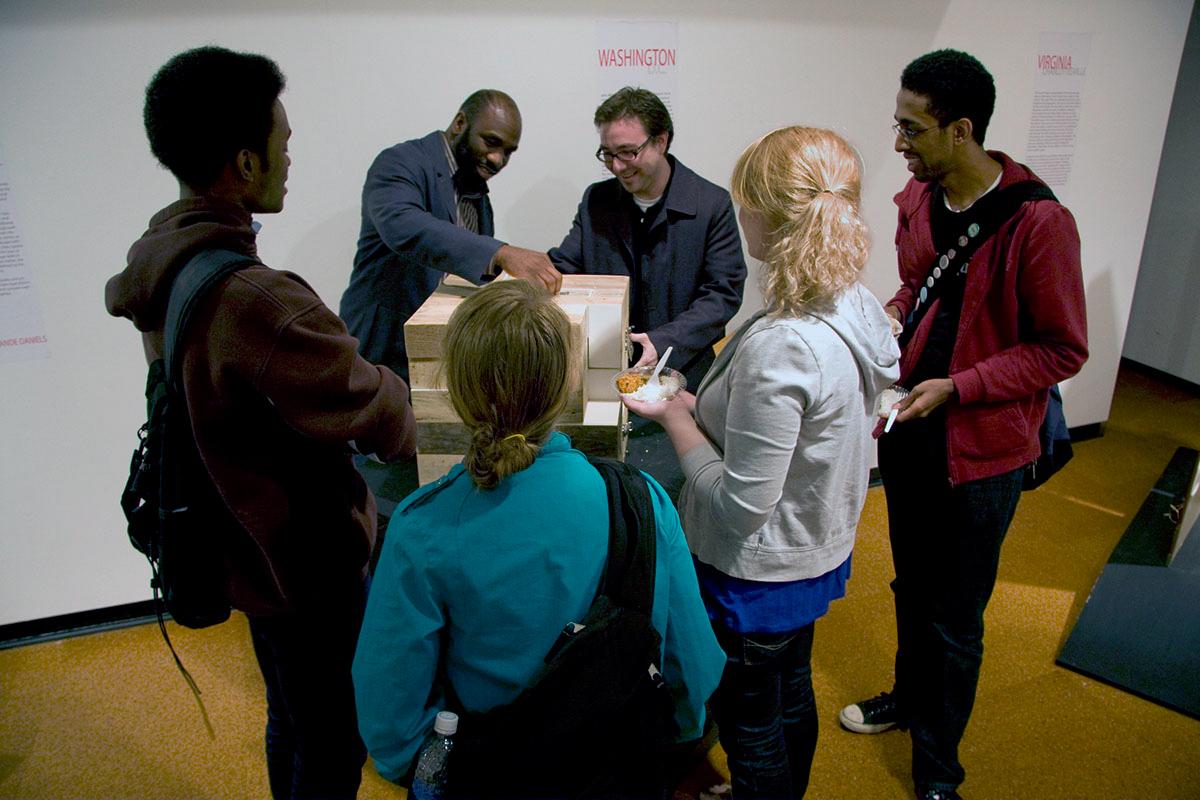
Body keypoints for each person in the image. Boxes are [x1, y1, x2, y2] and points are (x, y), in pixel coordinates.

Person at [105, 46, 417, 800]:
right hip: (302, 562)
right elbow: (382, 411)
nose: (290, 159)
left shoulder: (166, 261)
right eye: (283, 144)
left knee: (291, 717)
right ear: (245, 163)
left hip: (240, 546)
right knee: (331, 740)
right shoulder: (260, 303)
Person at [352, 280, 726, 795]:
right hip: (616, 762)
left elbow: (389, 716)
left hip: (494, 770)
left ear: (457, 390)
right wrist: (667, 739)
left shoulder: (422, 528)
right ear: (567, 386)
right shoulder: (640, 501)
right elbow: (694, 665)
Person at [838, 49, 1088, 800]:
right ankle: (909, 700)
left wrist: (962, 385)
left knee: (956, 616)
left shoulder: (1040, 224)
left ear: (962, 129)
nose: (899, 144)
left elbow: (1063, 347)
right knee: (911, 585)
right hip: (912, 428)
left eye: (912, 129)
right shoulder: (919, 197)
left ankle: (938, 769)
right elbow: (919, 281)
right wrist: (889, 316)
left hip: (982, 454)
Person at [624, 126, 900, 799]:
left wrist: (678, 418)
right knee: (789, 692)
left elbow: (741, 506)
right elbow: (790, 437)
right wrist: (703, 404)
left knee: (749, 719)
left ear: (766, 217)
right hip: (813, 549)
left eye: (744, 201)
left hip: (759, 572)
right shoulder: (852, 303)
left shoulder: (785, 344)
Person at [339, 89, 561, 386]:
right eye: (491, 142)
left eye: (509, 151)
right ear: (459, 123)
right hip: (382, 347)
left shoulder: (477, 191)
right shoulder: (399, 162)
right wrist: (502, 253)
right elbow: (404, 226)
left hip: (438, 354)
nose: (498, 159)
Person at [549, 86, 747, 392]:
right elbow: (565, 267)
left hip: (684, 377)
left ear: (661, 141)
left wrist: (664, 341)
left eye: (628, 152)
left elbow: (722, 295)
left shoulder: (711, 204)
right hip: (606, 373)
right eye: (608, 154)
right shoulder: (596, 201)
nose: (617, 167)